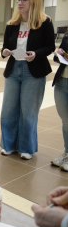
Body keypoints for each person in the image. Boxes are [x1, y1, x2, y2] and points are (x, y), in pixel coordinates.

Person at [0, 0, 55, 160]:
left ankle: (26, 147)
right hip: (14, 70)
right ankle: (8, 145)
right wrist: (5, 52)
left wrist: (36, 54)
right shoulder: (12, 24)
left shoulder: (44, 23)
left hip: (34, 71)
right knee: (8, 111)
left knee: (28, 112)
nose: (20, 2)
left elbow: (50, 47)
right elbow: (3, 47)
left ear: (34, 3)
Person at [51, 33, 68, 171]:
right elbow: (57, 58)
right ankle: (66, 153)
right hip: (62, 81)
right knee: (66, 121)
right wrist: (59, 54)